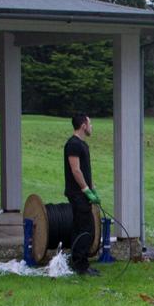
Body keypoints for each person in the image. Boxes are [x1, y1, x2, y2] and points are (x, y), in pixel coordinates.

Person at [63, 113, 101, 274]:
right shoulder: (73, 144)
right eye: (90, 124)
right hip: (77, 194)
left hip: (84, 193)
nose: (92, 127)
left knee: (83, 228)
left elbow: (85, 170)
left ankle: (79, 263)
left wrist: (93, 189)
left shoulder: (83, 145)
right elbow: (76, 170)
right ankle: (80, 266)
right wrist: (86, 190)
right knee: (85, 229)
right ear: (83, 125)